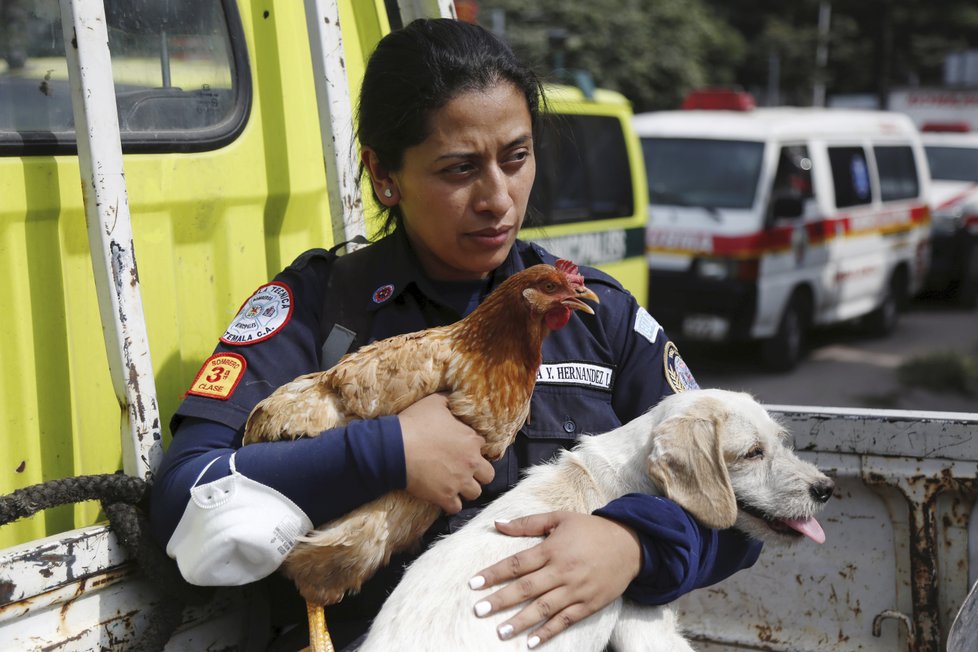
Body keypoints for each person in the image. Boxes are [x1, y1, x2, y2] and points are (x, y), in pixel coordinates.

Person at [149, 17, 761, 651]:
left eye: (516, 157)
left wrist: (633, 545)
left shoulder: (595, 316)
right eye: (459, 169)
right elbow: (182, 496)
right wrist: (387, 452)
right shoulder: (320, 309)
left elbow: (745, 508)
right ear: (384, 174)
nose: (497, 197)